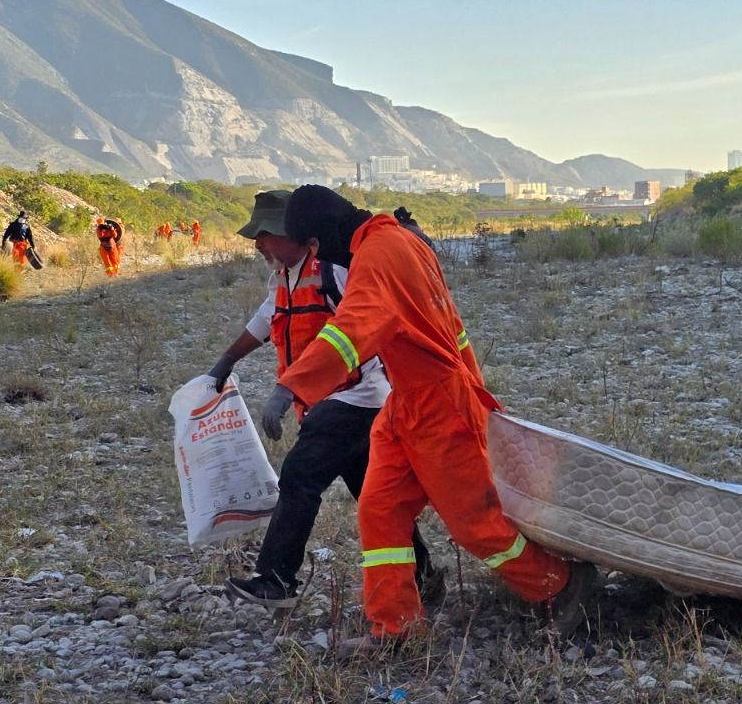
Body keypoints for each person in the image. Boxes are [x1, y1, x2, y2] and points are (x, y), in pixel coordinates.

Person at [266, 186, 598, 653]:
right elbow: (449, 327)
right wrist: (473, 387)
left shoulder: (378, 255)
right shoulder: (400, 240)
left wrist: (291, 386)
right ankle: (395, 627)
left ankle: (560, 584)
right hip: (409, 402)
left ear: (321, 236)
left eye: (315, 248)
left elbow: (353, 328)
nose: (317, 259)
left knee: (475, 523)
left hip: (437, 406)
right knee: (380, 508)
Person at [209, 190, 438, 611]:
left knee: (300, 477)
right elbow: (265, 319)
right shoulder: (285, 275)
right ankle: (424, 576)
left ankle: (275, 580)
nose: (258, 245)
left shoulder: (335, 270)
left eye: (264, 236)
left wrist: (288, 390)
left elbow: (363, 323)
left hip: (355, 398)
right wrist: (226, 361)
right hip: (328, 402)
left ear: (296, 235)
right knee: (373, 493)